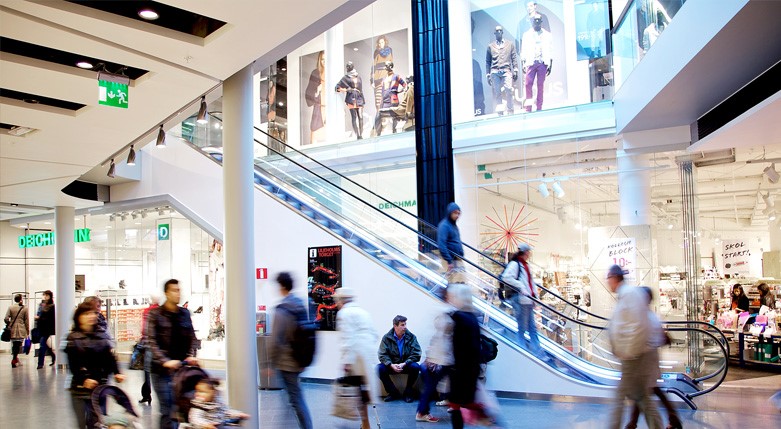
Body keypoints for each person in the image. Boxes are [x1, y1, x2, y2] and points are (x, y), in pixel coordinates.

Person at [606, 265, 663, 429]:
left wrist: (628, 352)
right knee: (641, 395)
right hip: (632, 355)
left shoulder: (629, 294)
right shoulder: (626, 295)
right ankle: (656, 425)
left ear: (614, 278)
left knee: (620, 396)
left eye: (608, 278)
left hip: (632, 356)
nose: (608, 282)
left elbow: (638, 326)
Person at [625, 287, 682, 429]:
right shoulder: (650, 315)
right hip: (651, 357)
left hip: (645, 359)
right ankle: (672, 416)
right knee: (651, 389)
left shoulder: (644, 317)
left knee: (643, 391)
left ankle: (632, 424)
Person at [147, 279, 199, 429]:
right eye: (174, 290)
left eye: (179, 290)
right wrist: (165, 361)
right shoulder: (155, 314)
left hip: (182, 369)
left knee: (183, 406)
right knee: (168, 409)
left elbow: (192, 337)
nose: (178, 293)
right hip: (161, 371)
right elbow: (152, 342)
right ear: (166, 293)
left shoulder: (184, 313)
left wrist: (191, 354)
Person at [66, 302, 125, 428]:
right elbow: (73, 364)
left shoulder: (102, 335)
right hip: (80, 389)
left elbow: (110, 357)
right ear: (79, 317)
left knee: (97, 423)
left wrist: (117, 372)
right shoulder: (73, 338)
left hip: (99, 387)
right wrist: (84, 379)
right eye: (87, 314)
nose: (91, 316)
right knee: (82, 423)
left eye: (93, 313)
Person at [269, 272, 313, 429]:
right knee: (293, 397)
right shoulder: (300, 305)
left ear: (281, 287)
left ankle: (306, 426)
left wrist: (271, 363)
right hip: (299, 359)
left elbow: (275, 340)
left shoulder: (281, 310)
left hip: (286, 362)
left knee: (295, 399)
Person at [335, 288, 379, 429]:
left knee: (357, 390)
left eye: (337, 301)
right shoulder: (363, 312)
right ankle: (365, 423)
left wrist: (347, 361)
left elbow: (347, 338)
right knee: (364, 389)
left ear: (341, 301)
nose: (336, 304)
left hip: (356, 356)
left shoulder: (344, 313)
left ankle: (365, 423)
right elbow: (375, 334)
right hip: (367, 354)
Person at [416, 291, 455, 423]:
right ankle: (422, 412)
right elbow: (442, 336)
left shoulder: (444, 311)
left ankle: (424, 411)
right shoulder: (445, 312)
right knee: (431, 385)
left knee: (434, 384)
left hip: (442, 357)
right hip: (441, 358)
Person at [447, 284, 482, 429]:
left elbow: (459, 347)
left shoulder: (459, 317)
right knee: (463, 404)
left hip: (461, 371)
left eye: (453, 296)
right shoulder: (472, 317)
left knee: (456, 406)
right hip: (471, 369)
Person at [501, 244, 545, 359]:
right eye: (529, 251)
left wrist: (535, 298)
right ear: (525, 252)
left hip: (528, 300)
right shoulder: (515, 264)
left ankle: (537, 350)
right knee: (523, 328)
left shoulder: (525, 265)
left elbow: (531, 283)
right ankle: (523, 352)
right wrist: (520, 286)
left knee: (531, 328)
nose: (530, 254)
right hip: (520, 300)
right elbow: (506, 277)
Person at [377, 315, 422, 403]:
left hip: (405, 364)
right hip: (392, 365)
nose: (405, 327)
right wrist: (391, 365)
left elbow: (416, 353)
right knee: (379, 368)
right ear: (395, 326)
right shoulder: (386, 338)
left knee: (415, 367)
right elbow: (382, 354)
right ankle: (393, 392)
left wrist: (405, 363)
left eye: (405, 324)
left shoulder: (411, 337)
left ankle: (408, 392)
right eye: (402, 325)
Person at [521, 14, 553, 112]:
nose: (537, 23)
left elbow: (550, 50)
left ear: (541, 22)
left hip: (542, 62)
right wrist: (523, 62)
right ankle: (528, 107)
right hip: (531, 62)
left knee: (540, 85)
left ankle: (539, 107)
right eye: (536, 21)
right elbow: (524, 49)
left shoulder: (547, 35)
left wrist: (550, 64)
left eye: (539, 21)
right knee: (528, 84)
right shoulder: (527, 35)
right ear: (533, 22)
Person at [485, 26, 518, 115]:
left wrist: (515, 69)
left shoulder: (509, 44)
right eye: (497, 31)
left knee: (508, 89)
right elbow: (488, 61)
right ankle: (500, 112)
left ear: (502, 32)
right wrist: (487, 74)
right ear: (494, 33)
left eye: (500, 30)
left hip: (506, 70)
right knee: (497, 92)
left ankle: (510, 111)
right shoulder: (490, 46)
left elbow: (514, 57)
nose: (499, 32)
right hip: (495, 71)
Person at [140, 293, 161, 406]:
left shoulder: (147, 312)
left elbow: (144, 329)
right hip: (160, 347)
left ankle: (147, 395)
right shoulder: (162, 312)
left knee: (147, 371)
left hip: (149, 345)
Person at [335, 61, 365, 140]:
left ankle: (361, 134)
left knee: (361, 116)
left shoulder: (358, 77)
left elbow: (360, 88)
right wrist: (346, 90)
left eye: (349, 66)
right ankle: (358, 135)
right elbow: (337, 87)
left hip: (359, 97)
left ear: (352, 66)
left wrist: (362, 98)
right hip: (351, 98)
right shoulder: (345, 78)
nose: (347, 67)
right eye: (347, 66)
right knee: (354, 117)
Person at [437, 202, 466, 284]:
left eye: (458, 213)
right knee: (452, 283)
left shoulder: (454, 226)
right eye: (455, 213)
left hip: (457, 259)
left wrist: (461, 253)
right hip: (449, 260)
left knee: (461, 281)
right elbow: (441, 244)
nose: (457, 215)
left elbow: (457, 241)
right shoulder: (444, 226)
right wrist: (449, 261)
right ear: (450, 212)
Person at [304, 50, 326, 144]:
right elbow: (309, 92)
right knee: (314, 132)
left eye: (326, 59)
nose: (324, 62)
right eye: (322, 59)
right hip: (319, 108)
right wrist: (317, 90)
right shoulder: (316, 73)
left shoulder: (334, 71)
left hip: (331, 108)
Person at [4, 294, 29, 368]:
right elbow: (26, 321)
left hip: (12, 329)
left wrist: (9, 323)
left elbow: (6, 318)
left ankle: (15, 359)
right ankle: (14, 360)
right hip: (21, 329)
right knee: (18, 345)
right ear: (21, 299)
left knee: (15, 344)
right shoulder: (25, 308)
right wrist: (27, 330)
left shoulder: (11, 307)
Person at [371, 35, 394, 110]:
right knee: (378, 101)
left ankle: (385, 116)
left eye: (382, 42)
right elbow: (373, 66)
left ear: (385, 42)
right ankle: (379, 116)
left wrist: (392, 77)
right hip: (378, 77)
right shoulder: (376, 52)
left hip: (387, 77)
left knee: (387, 99)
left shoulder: (389, 50)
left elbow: (391, 63)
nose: (381, 44)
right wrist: (372, 80)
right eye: (379, 43)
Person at [35, 289, 56, 369]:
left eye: (47, 295)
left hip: (47, 328)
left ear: (50, 296)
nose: (45, 297)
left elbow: (49, 318)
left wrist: (39, 318)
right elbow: (39, 314)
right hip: (41, 327)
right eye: (44, 295)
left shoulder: (52, 306)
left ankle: (40, 363)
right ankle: (53, 356)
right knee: (44, 344)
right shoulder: (41, 304)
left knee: (42, 344)